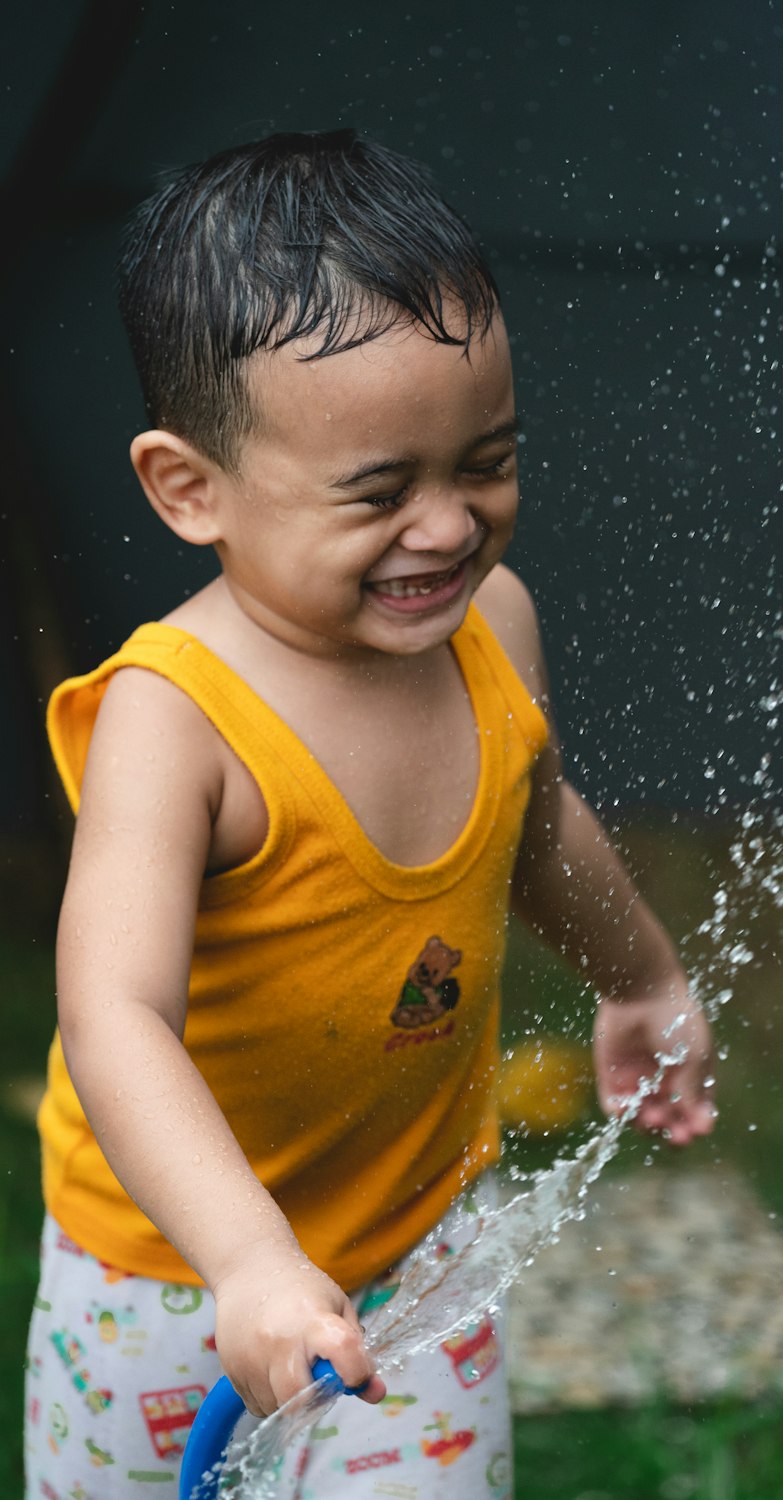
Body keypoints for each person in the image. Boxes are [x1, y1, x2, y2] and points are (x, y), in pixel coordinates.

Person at [24, 129, 715, 1500]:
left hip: (416, 1255)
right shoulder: (177, 723)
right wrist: (250, 1261)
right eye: (380, 491)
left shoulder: (490, 627)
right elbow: (115, 1014)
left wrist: (638, 975)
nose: (450, 528)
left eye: (487, 462)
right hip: (167, 1282)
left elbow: (532, 822)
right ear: (189, 489)